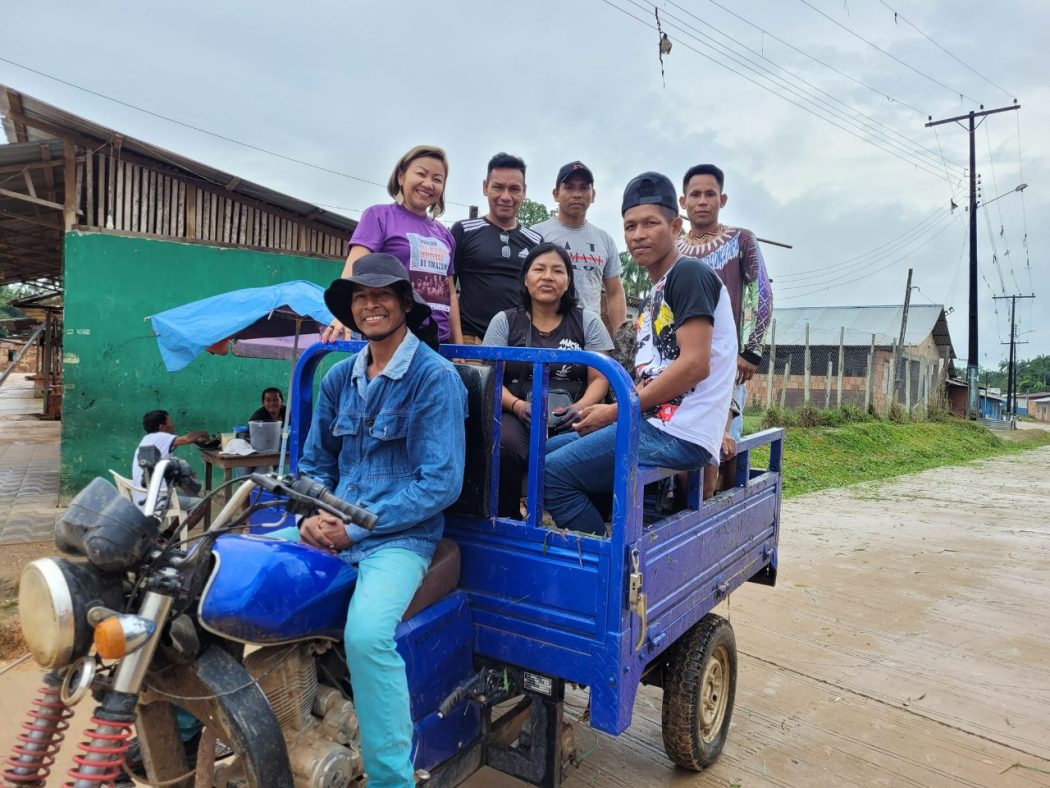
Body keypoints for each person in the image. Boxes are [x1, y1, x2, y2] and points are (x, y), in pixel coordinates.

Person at [298, 253, 467, 786]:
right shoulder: (336, 378)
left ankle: (390, 777)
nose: (371, 304)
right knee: (231, 583)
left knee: (369, 635)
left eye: (382, 294)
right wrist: (315, 513)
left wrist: (355, 525)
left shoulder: (434, 379)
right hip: (333, 526)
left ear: (404, 303)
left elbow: (439, 483)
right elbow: (312, 464)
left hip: (400, 538)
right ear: (351, 310)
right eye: (360, 297)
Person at [543, 173, 736, 535]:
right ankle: (611, 531)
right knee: (551, 451)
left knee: (553, 475)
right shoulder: (655, 293)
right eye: (630, 226)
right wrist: (608, 412)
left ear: (675, 226)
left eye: (651, 223)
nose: (638, 235)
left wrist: (615, 412)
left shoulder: (688, 275)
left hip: (679, 431)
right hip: (653, 423)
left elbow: (695, 364)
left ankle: (608, 567)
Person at [482, 243, 613, 518]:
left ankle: (588, 526)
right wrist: (517, 406)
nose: (548, 277)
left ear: (568, 282)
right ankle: (506, 520)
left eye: (557, 270)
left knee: (600, 445)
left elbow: (601, 379)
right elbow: (490, 379)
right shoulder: (503, 322)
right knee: (502, 441)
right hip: (518, 414)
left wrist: (581, 407)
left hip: (573, 416)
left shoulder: (587, 322)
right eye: (539, 269)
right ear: (525, 278)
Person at [676, 164, 773, 496]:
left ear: (723, 198)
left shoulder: (740, 239)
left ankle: (726, 521)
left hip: (726, 363)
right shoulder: (674, 247)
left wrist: (751, 350)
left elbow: (763, 292)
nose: (702, 201)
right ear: (683, 201)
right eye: (695, 194)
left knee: (726, 447)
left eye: (710, 194)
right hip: (681, 362)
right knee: (685, 451)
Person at [322, 145, 460, 345]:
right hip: (392, 337)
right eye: (421, 174)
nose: (428, 183)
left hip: (438, 341)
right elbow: (355, 268)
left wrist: (458, 342)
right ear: (401, 177)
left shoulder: (445, 235)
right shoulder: (379, 216)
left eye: (437, 179)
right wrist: (341, 318)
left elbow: (450, 292)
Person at [452, 153, 544, 343]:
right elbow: (447, 290)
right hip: (471, 340)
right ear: (485, 187)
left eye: (514, 189)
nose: (505, 196)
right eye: (498, 187)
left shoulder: (536, 241)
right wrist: (457, 340)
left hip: (519, 343)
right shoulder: (463, 231)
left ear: (524, 191)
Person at [532, 161, 627, 335]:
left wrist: (621, 339)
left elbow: (615, 293)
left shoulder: (604, 240)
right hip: (543, 335)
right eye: (569, 187)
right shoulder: (536, 234)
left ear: (593, 194)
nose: (577, 194)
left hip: (589, 335)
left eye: (584, 188)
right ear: (556, 194)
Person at [131, 410, 209, 506]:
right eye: (170, 422)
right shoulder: (161, 436)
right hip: (157, 499)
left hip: (142, 495)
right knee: (202, 504)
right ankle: (186, 521)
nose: (173, 425)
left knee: (181, 470)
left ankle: (183, 520)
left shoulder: (147, 439)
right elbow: (186, 439)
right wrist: (203, 433)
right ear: (162, 427)